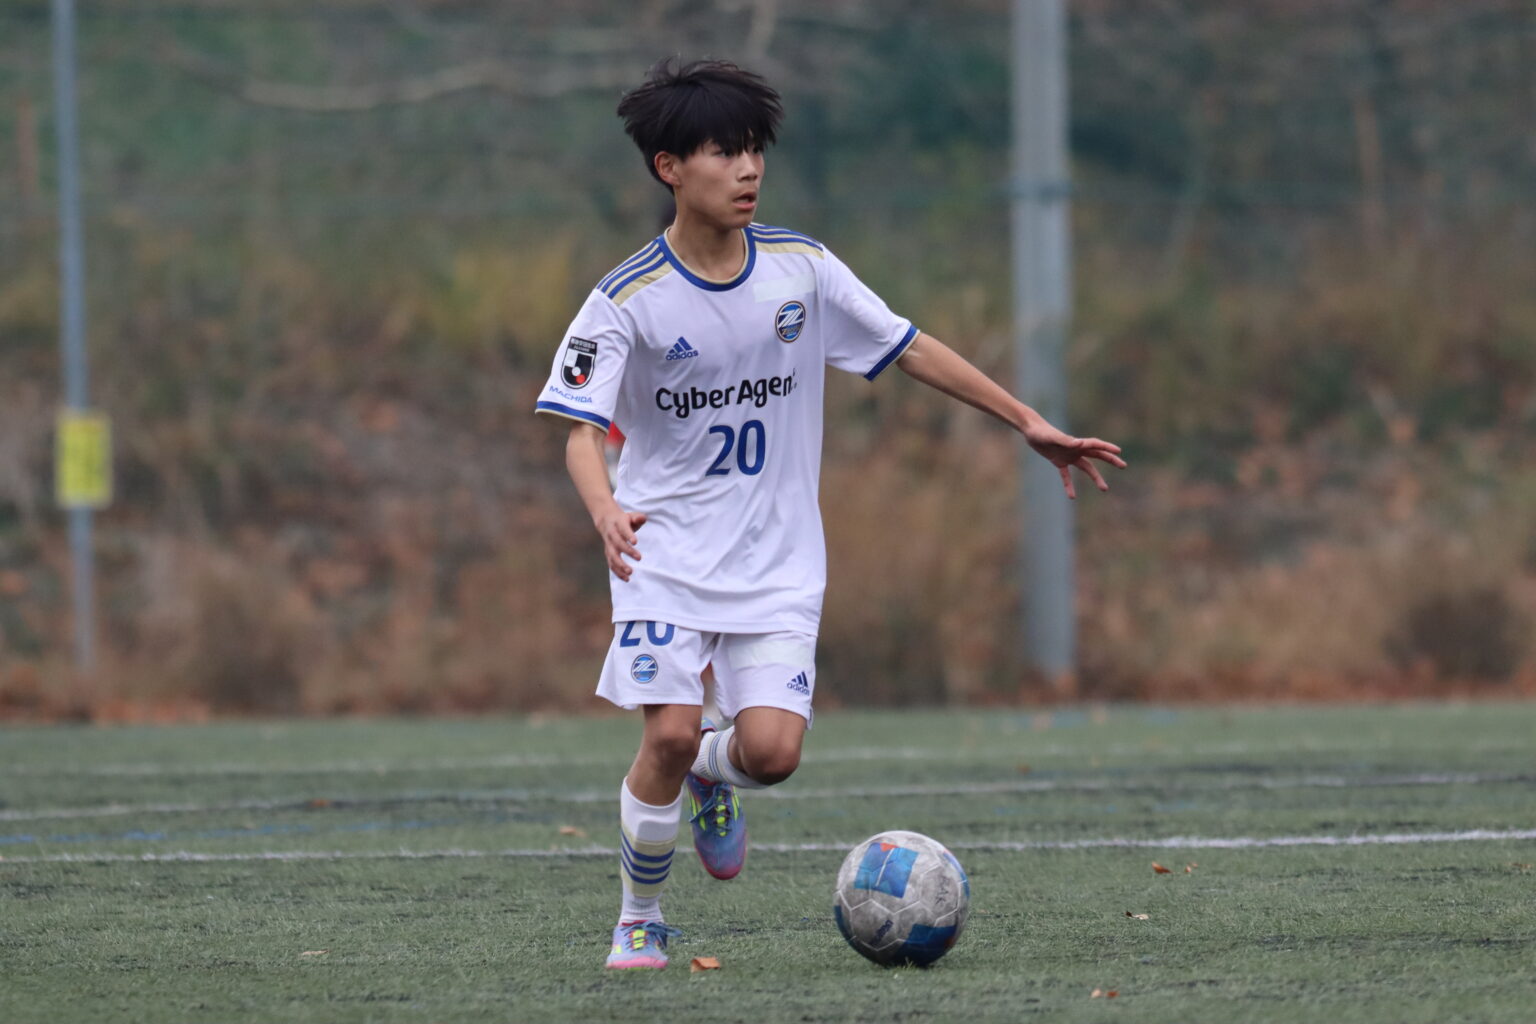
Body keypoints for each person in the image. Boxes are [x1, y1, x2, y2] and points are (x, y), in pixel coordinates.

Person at [534, 57, 1125, 970]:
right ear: (668, 168)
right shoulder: (626, 299)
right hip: (662, 554)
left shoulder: (801, 270)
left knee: (770, 755)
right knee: (670, 729)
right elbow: (579, 430)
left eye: (755, 150)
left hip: (778, 562)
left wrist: (1027, 421)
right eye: (724, 153)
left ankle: (710, 777)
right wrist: (605, 508)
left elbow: (909, 346)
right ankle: (638, 919)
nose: (748, 170)